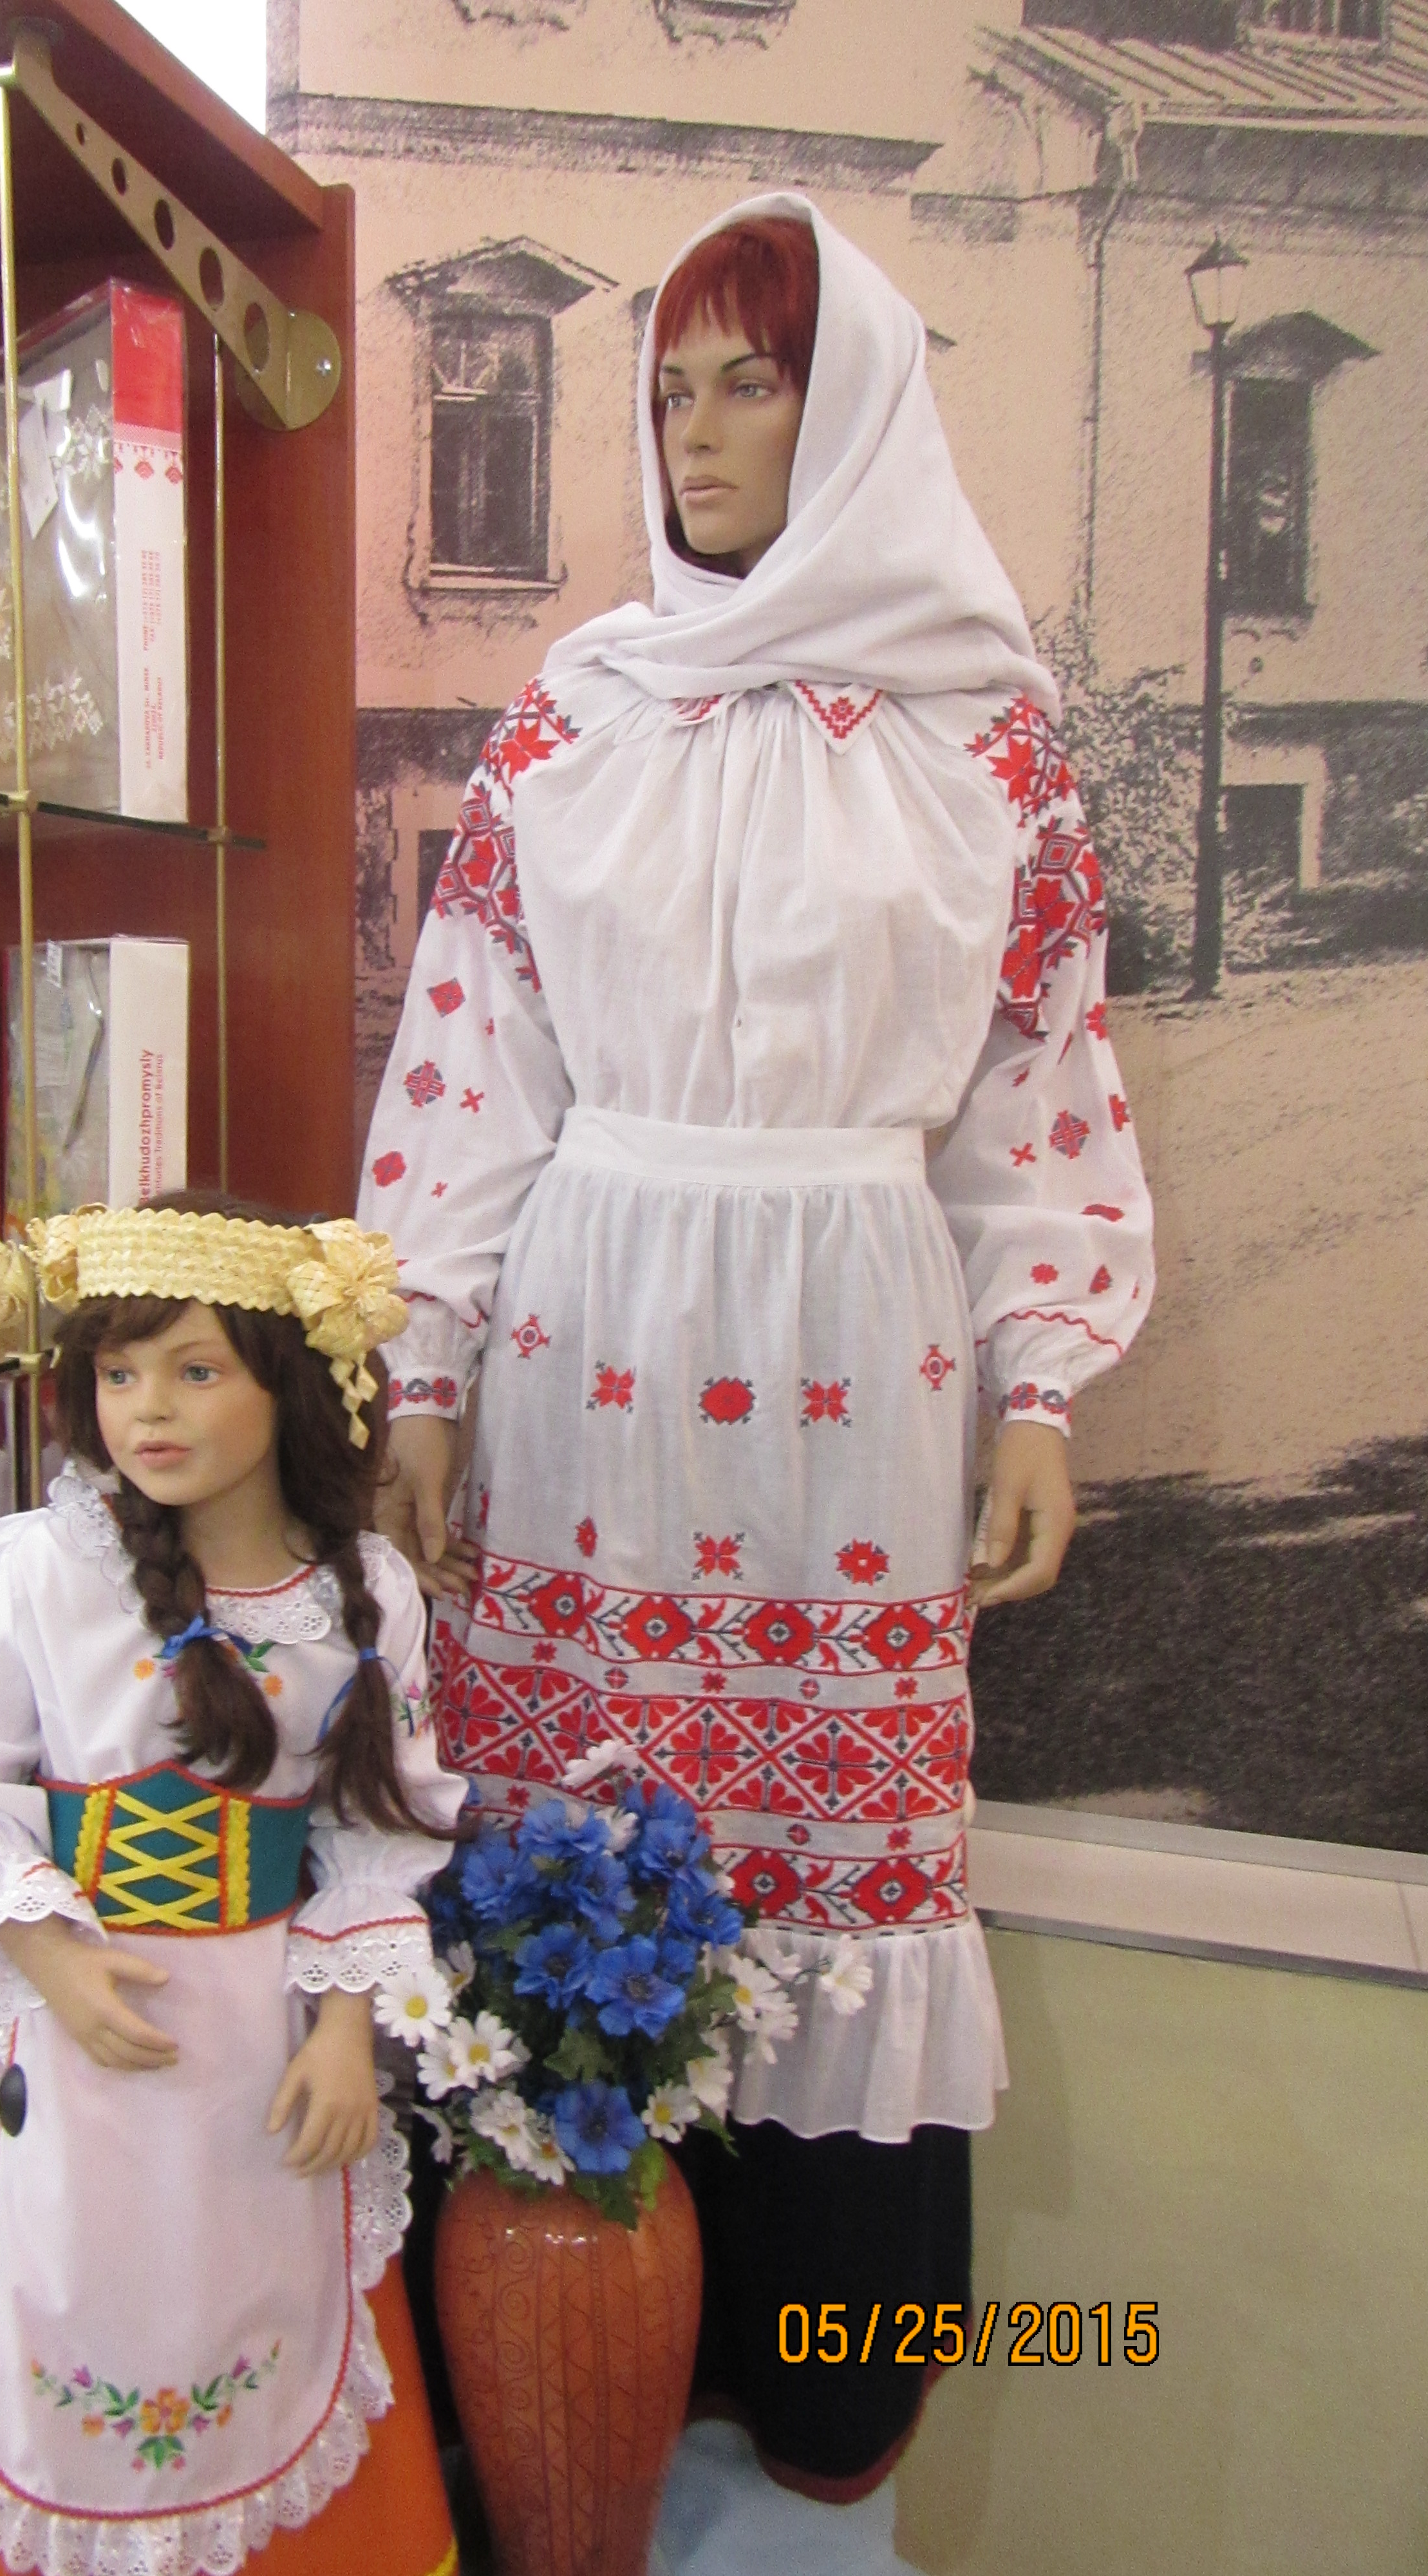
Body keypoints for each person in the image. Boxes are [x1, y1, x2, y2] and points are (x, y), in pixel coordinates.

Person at [360, 195, 1154, 2517]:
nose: (695, 433)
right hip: (582, 1335)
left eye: (752, 383)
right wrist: (421, 1367)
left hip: (849, 1348)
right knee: (561, 1833)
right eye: (671, 389)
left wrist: (1038, 1379)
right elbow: (469, 1056)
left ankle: (809, 2389)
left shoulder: (983, 743)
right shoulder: (571, 717)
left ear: (855, 411)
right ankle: (546, 2361)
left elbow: (1035, 1083)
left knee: (825, 1852)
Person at [0, 1196, 462, 2576]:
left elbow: (378, 1825)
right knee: (72, 2287)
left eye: (194, 1370)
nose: (148, 1411)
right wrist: (50, 1957)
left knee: (264, 2288)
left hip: (262, 2035)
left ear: (288, 1381)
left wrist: (346, 2024)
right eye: (118, 1373)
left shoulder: (366, 1592)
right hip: (80, 2037)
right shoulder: (39, 1567)